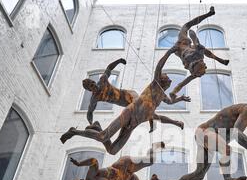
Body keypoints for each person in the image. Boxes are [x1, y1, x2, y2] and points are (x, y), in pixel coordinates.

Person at [60, 46, 190, 155]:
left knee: (113, 150)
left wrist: (180, 103)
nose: (170, 81)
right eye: (168, 78)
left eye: (92, 83)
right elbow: (159, 67)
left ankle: (99, 127)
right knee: (104, 137)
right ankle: (74, 132)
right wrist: (169, 52)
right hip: (131, 111)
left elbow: (161, 113)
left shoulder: (161, 96)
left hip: (130, 107)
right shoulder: (155, 84)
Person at [59, 142, 165, 180]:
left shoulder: (90, 177)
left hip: (124, 166)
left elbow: (93, 161)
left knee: (150, 160)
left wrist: (79, 164)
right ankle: (153, 179)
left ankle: (154, 147)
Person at [169, 6, 230, 100]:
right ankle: (216, 57)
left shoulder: (183, 43)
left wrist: (174, 92)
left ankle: (199, 46)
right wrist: (174, 92)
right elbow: (183, 83)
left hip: (189, 55)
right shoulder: (195, 57)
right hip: (190, 55)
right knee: (197, 45)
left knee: (189, 31)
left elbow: (182, 83)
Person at [82, 58, 138, 130]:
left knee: (137, 104)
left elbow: (109, 68)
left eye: (93, 82)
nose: (94, 85)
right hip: (124, 103)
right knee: (132, 112)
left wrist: (119, 61)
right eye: (92, 86)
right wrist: (91, 124)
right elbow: (90, 112)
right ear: (89, 90)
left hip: (127, 94)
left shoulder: (103, 80)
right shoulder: (95, 98)